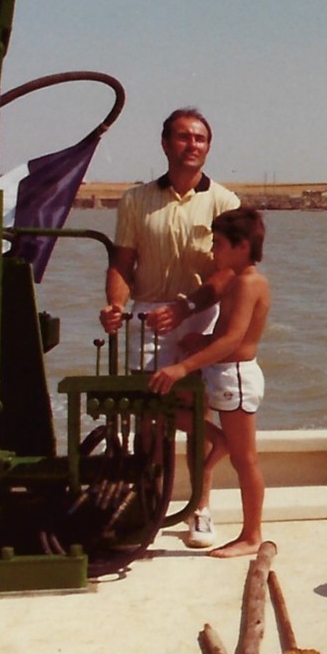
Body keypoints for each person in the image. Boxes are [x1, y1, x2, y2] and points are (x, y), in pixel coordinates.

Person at [101, 107, 240, 547]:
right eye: (182, 137)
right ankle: (148, 506)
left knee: (196, 412)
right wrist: (114, 306)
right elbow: (122, 262)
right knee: (150, 418)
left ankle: (200, 509)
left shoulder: (226, 203)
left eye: (200, 138)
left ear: (208, 146)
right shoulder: (135, 200)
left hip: (201, 312)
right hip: (148, 315)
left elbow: (229, 273)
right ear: (165, 144)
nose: (192, 145)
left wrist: (185, 308)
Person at [149, 209, 272, 559]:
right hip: (220, 373)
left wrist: (183, 367)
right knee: (169, 412)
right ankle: (217, 442)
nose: (213, 251)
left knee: (246, 460)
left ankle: (251, 535)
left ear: (242, 245)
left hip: (235, 377)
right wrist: (200, 341)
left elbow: (235, 340)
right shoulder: (234, 279)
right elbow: (224, 332)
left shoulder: (251, 282)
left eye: (218, 244)